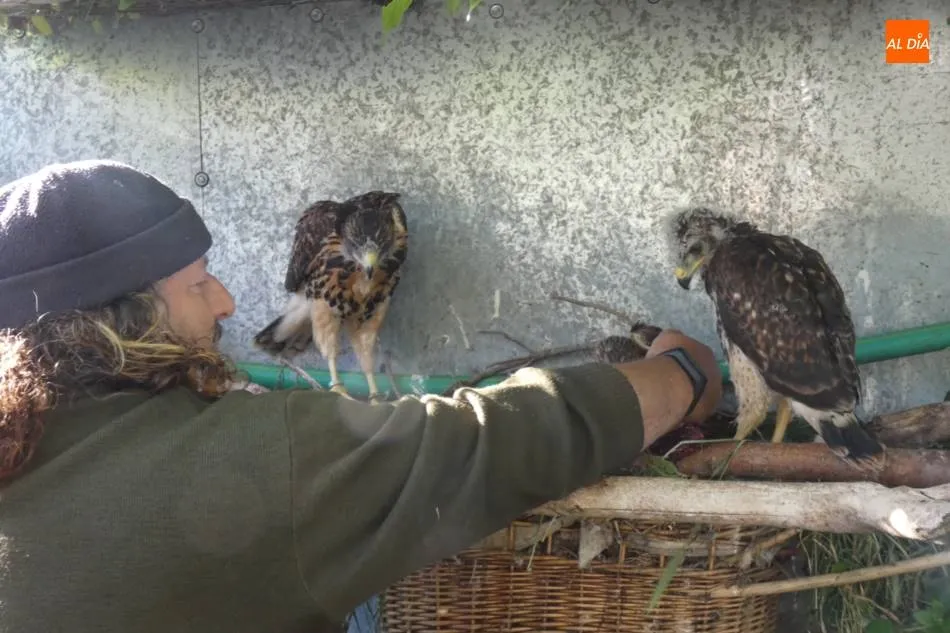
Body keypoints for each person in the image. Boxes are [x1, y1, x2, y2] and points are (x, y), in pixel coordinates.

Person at [0, 159, 723, 633]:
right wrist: (684, 373)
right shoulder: (248, 463)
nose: (225, 301)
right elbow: (493, 440)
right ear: (124, 318)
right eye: (197, 284)